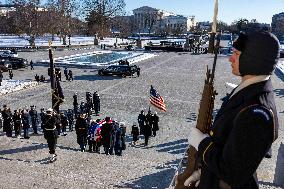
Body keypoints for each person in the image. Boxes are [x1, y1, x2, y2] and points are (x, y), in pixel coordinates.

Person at [184, 31, 280, 188]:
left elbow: (232, 172)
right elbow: (228, 149)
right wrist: (204, 172)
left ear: (252, 59)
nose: (230, 58)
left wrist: (201, 143)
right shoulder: (247, 92)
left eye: (236, 53)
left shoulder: (258, 112)